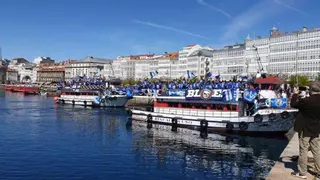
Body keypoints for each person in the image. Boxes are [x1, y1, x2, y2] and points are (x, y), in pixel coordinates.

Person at [291, 82, 320, 179]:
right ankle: (319, 171)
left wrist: (295, 94)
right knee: (316, 150)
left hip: (304, 128)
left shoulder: (306, 101)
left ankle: (302, 172)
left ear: (310, 90)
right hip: (316, 128)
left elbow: (293, 104)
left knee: (303, 150)